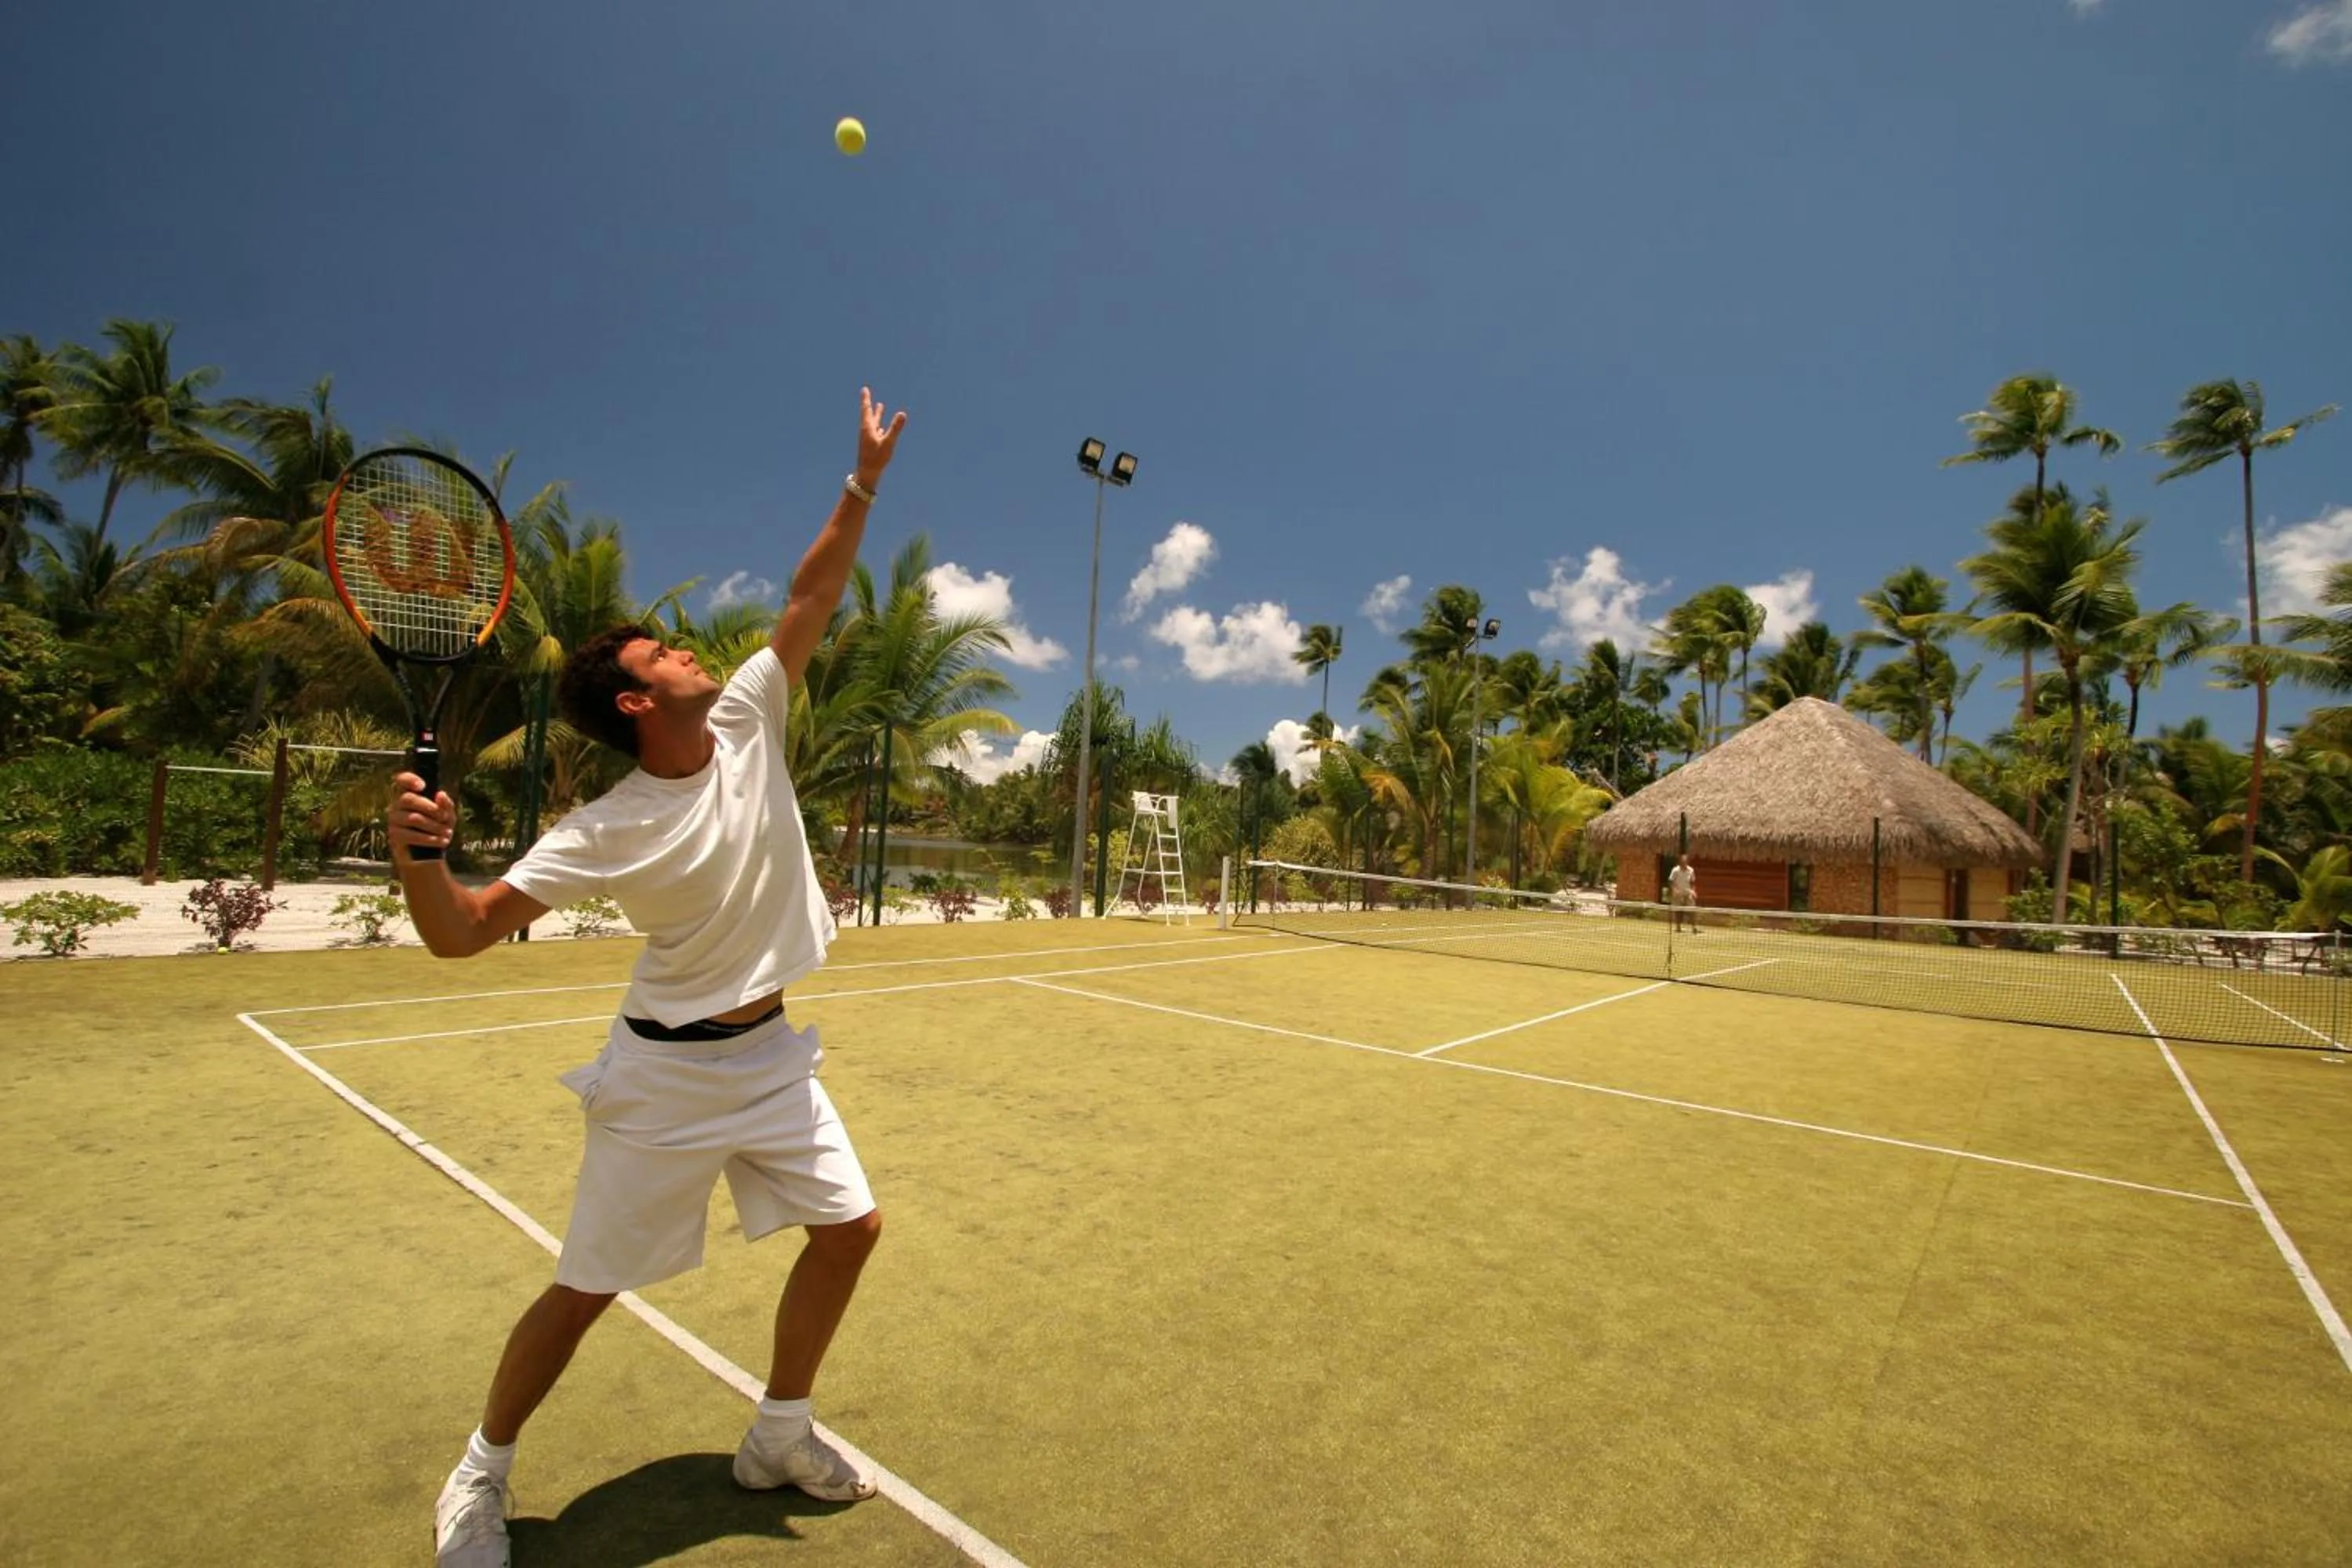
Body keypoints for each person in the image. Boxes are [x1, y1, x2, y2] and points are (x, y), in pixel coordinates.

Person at [391, 389, 907, 1568]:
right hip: (663, 1080)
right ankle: (481, 1472)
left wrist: (862, 480)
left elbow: (810, 596)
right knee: (584, 1291)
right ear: (635, 701)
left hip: (772, 1057)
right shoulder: (604, 827)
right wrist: (415, 851)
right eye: (664, 652)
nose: (692, 652)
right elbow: (462, 932)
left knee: (852, 1230)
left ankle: (779, 1434)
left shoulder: (749, 715)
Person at [1667, 853, 1698, 932]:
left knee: (1692, 910)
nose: (1684, 863)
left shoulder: (1691, 870)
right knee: (1678, 911)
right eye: (1683, 861)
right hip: (1678, 893)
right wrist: (1674, 890)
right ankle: (1678, 927)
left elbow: (1693, 882)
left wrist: (1693, 892)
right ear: (1680, 862)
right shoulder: (1675, 870)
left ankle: (1694, 927)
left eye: (1686, 861)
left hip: (1688, 892)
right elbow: (1671, 881)